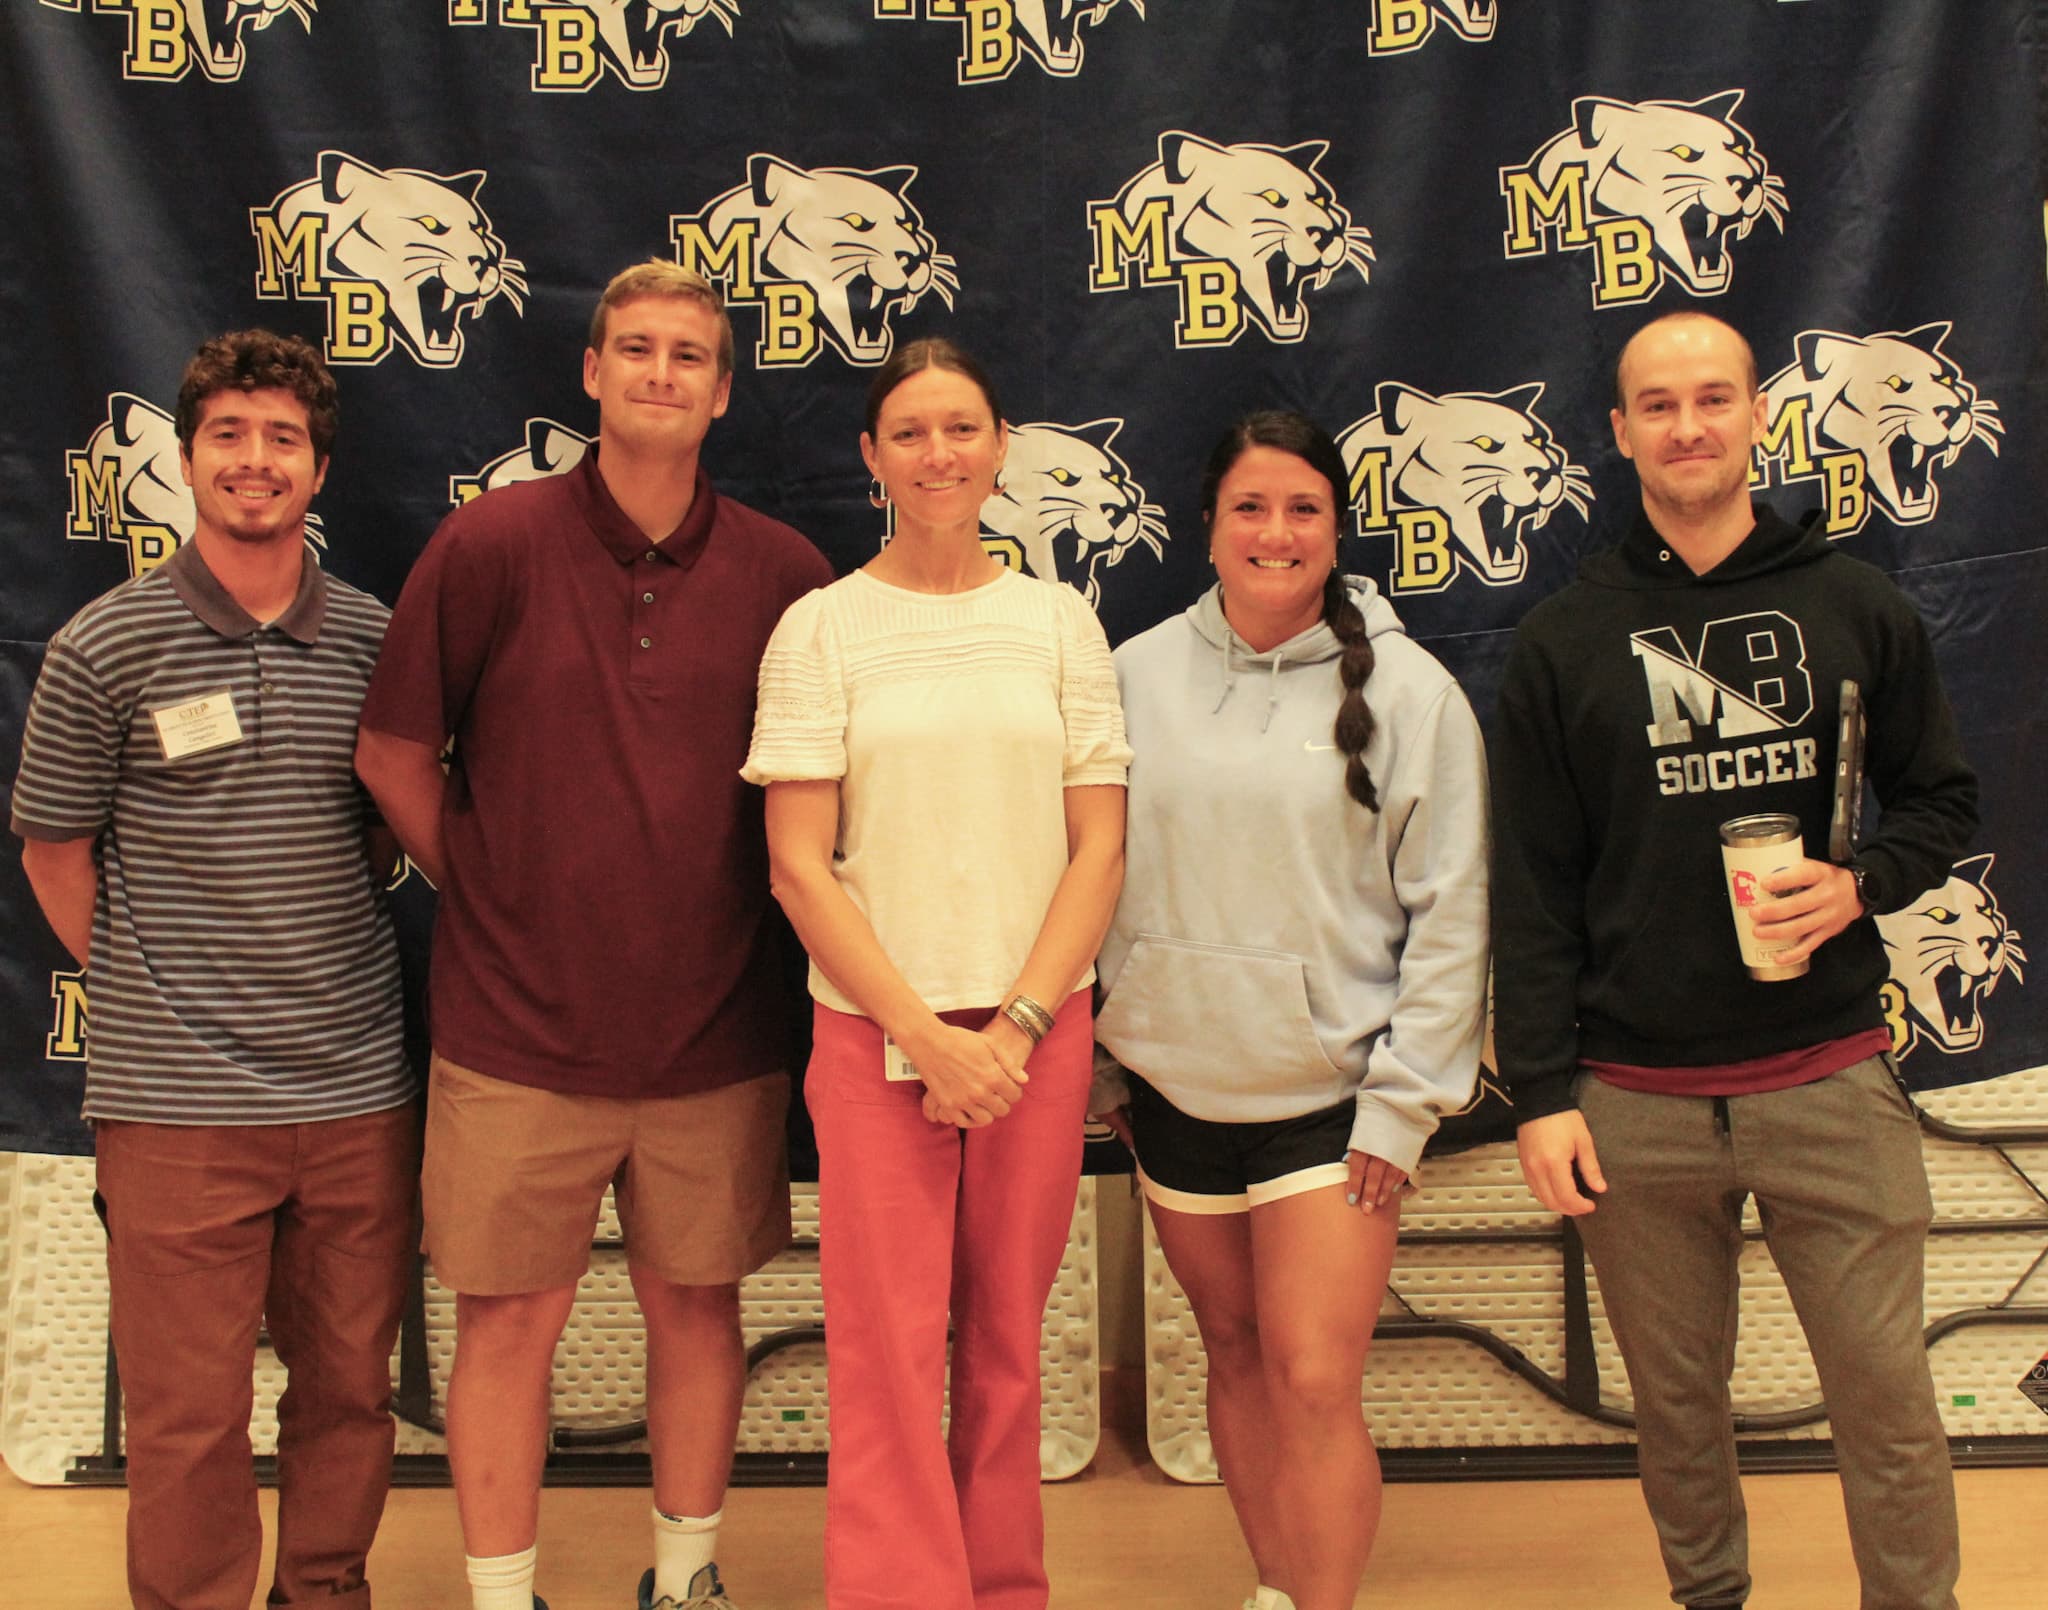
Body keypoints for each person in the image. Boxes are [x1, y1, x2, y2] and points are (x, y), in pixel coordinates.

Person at [353, 262, 831, 1610]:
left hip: (717, 1035)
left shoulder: (787, 576)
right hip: (516, 1038)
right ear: (591, 373)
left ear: (724, 390)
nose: (661, 372)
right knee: (507, 1322)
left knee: (698, 1310)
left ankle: (686, 1579)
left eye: (689, 354)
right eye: (636, 349)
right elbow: (391, 753)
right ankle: (505, 1594)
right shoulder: (491, 545)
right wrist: (488, 882)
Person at [1490, 311, 1976, 1610]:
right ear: (1619, 432)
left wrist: (1862, 881)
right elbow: (1531, 891)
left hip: (1828, 1076)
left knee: (1885, 1399)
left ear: (1758, 413)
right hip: (1632, 1101)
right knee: (1677, 1411)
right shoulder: (1557, 644)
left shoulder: (1855, 601)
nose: (1688, 425)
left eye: (1713, 398)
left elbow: (1941, 801)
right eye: (1659, 405)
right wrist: (1541, 1095)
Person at [11, 330, 417, 1610]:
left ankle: (324, 1589)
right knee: (187, 1414)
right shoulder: (103, 645)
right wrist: (162, 992)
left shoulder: (374, 639)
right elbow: (54, 850)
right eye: (229, 436)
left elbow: (395, 824)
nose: (255, 461)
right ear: (187, 459)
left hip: (356, 1089)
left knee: (352, 1387)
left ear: (319, 467)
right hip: (176, 1106)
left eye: (282, 438)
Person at [742, 337, 1129, 1610]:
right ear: (870, 458)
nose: (937, 453)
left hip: (1033, 1028)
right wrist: (922, 1028)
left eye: (960, 427)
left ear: (1001, 446)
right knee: (887, 1349)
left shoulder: (1058, 620)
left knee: (1008, 1343)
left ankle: (1003, 1584)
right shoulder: (818, 629)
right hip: (872, 1037)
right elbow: (799, 865)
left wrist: (1012, 1024)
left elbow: (1099, 844)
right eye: (907, 432)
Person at [1090, 411, 1488, 1610]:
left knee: (1313, 1375)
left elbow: (1453, 908)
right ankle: (1276, 1588)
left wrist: (1402, 1106)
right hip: (1173, 1089)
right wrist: (1110, 1059)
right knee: (1235, 1353)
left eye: (1302, 508)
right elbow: (1087, 869)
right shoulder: (1131, 670)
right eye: (1249, 508)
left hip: (1337, 1101)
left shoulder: (1414, 693)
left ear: (1334, 528)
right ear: (1207, 528)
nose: (1275, 532)